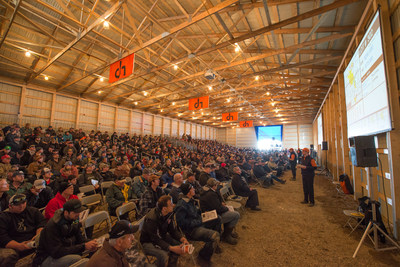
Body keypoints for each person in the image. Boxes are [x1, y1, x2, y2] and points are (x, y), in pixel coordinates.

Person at [34, 199, 98, 267]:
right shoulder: (53, 226)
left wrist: (92, 243)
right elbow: (57, 252)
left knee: (96, 248)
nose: (78, 214)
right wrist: (83, 246)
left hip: (64, 250)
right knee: (76, 259)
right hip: (46, 258)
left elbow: (80, 238)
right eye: (75, 212)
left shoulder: (73, 219)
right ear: (66, 212)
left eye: (79, 211)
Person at [175, 183, 220, 265]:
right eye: (192, 188)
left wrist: (203, 214)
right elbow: (182, 224)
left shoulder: (190, 199)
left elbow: (194, 213)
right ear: (188, 192)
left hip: (198, 223)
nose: (194, 189)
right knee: (215, 236)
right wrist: (200, 221)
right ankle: (203, 256)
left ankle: (211, 245)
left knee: (217, 218)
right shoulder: (181, 205)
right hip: (192, 230)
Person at [140, 195, 189, 267]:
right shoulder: (152, 219)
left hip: (161, 235)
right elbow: (155, 239)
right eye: (171, 204)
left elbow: (173, 230)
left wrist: (182, 238)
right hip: (148, 241)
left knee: (179, 245)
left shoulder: (170, 213)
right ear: (164, 208)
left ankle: (171, 264)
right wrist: (171, 248)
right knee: (163, 254)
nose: (173, 205)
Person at [0, 194, 46, 266]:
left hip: (33, 241)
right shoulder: (4, 217)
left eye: (23, 203)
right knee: (8, 255)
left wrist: (37, 237)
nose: (21, 206)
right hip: (13, 244)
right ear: (10, 206)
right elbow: (2, 237)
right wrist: (18, 246)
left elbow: (42, 224)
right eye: (17, 205)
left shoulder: (33, 211)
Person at [200, 178, 240, 245]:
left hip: (212, 212)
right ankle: (226, 236)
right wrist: (226, 208)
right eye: (217, 185)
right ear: (214, 186)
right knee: (236, 215)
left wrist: (221, 203)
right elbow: (218, 208)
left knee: (230, 214)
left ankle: (227, 233)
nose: (217, 186)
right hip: (213, 216)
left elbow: (216, 204)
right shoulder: (210, 194)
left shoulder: (207, 190)